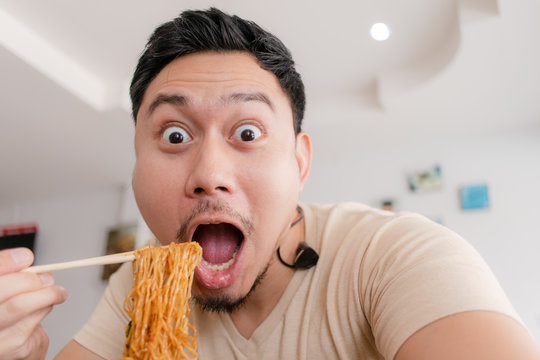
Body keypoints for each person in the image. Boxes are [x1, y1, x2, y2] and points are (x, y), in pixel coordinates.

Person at [1, 7, 539, 360]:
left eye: (248, 132)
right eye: (173, 134)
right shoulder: (140, 287)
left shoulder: (393, 256)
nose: (209, 174)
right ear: (136, 164)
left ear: (300, 163)